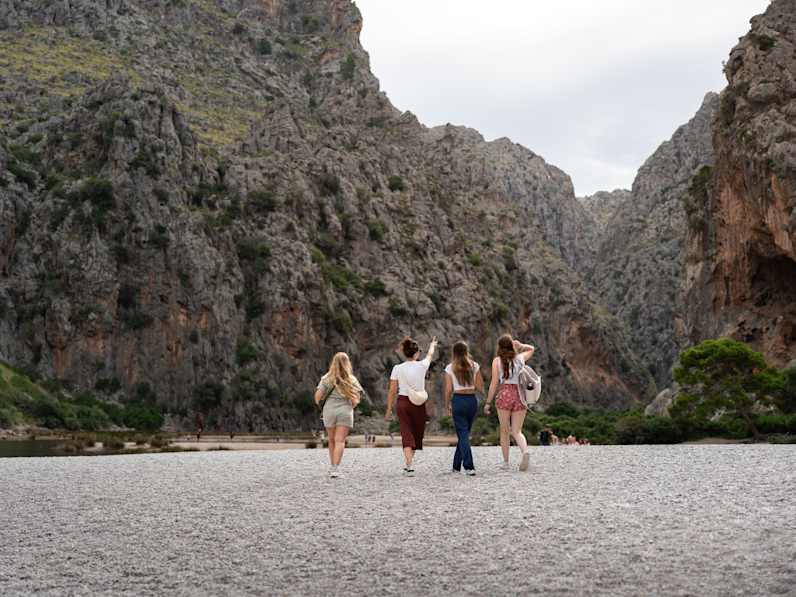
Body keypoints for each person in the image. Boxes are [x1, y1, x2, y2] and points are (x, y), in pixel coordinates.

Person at [385, 336, 438, 476]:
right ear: (416, 353)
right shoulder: (422, 365)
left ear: (404, 353)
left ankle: (408, 465)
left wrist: (389, 409)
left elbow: (392, 391)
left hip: (403, 402)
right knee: (415, 434)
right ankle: (409, 465)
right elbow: (430, 354)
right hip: (418, 403)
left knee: (406, 433)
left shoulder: (397, 368)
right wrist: (432, 344)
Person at [484, 334, 535, 471]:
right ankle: (524, 451)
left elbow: (494, 383)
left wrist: (488, 402)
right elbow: (531, 349)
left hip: (504, 394)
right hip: (520, 394)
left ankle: (506, 463)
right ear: (511, 345)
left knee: (504, 430)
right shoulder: (519, 359)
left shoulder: (496, 361)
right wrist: (520, 345)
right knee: (517, 431)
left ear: (499, 347)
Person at [314, 352, 364, 478]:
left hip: (329, 411)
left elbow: (317, 397)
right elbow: (356, 399)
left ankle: (332, 466)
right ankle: (335, 469)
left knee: (331, 440)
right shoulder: (351, 379)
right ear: (347, 364)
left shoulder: (326, 378)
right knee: (340, 441)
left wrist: (324, 403)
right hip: (345, 411)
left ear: (333, 363)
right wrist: (349, 406)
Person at [443, 341, 484, 475]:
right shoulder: (474, 365)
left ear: (454, 352)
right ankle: (456, 466)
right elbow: (480, 387)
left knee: (463, 434)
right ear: (466, 351)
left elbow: (448, 389)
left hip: (458, 400)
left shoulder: (450, 367)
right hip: (472, 401)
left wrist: (447, 404)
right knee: (464, 434)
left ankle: (469, 466)